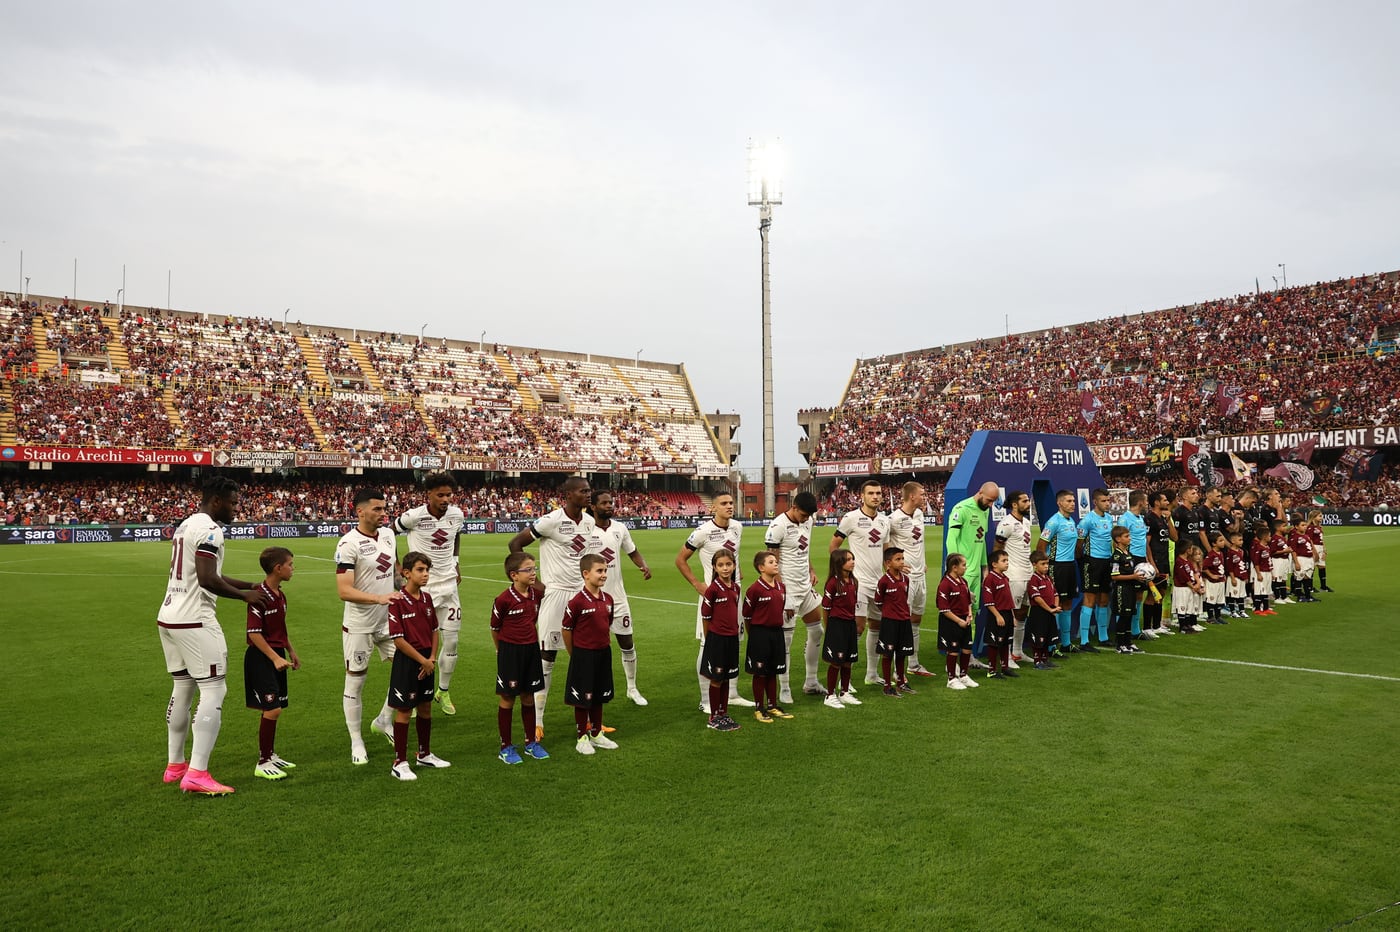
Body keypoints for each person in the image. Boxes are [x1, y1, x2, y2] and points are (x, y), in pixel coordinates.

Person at [159, 476, 268, 796]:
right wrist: (244, 597)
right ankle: (197, 773)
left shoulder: (186, 525)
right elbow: (207, 580)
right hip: (195, 620)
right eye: (233, 502)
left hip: (168, 616)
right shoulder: (211, 529)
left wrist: (247, 584)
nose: (236, 508)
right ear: (217, 501)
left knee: (182, 687)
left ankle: (175, 765)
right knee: (214, 691)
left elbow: (205, 573)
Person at [507, 476, 596, 739]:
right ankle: (538, 721)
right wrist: (534, 584)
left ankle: (590, 718)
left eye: (590, 490)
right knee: (547, 659)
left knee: (585, 657)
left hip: (581, 596)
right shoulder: (550, 521)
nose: (588, 494)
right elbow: (515, 544)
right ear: (568, 495)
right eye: (583, 491)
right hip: (556, 596)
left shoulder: (589, 522)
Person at [335, 488, 401, 766]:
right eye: (377, 509)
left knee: (407, 672)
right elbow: (344, 591)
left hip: (388, 620)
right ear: (359, 511)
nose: (383, 513)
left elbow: (395, 572)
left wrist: (408, 591)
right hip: (360, 623)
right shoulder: (347, 544)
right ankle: (356, 740)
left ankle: (384, 720)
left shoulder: (388, 535)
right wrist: (378, 597)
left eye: (384, 508)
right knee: (357, 680)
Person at [392, 471, 465, 715]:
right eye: (440, 495)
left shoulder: (457, 515)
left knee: (452, 641)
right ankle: (413, 693)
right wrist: (397, 566)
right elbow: (389, 533)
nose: (446, 499)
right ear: (429, 494)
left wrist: (456, 562)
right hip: (424, 589)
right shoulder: (413, 516)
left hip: (449, 587)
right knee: (419, 644)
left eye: (449, 494)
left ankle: (443, 690)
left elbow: (456, 536)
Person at [676, 491, 754, 713]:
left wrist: (739, 574)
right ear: (713, 508)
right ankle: (705, 700)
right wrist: (697, 584)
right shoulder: (703, 532)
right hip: (714, 598)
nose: (729, 506)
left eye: (731, 503)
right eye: (724, 503)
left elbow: (735, 558)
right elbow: (680, 559)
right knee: (707, 645)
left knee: (735, 641)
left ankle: (732, 694)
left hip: (734, 595)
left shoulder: (738, 527)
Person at [385, 552, 451, 780]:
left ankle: (424, 754)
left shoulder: (427, 599)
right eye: (420, 570)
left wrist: (431, 658)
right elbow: (398, 639)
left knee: (425, 707)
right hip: (408, 661)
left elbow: (434, 630)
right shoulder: (397, 601)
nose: (425, 575)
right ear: (406, 573)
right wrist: (422, 660)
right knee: (404, 710)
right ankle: (399, 762)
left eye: (427, 570)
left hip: (427, 661)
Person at [586, 491, 653, 706]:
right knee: (593, 648)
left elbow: (632, 551)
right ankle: (592, 689)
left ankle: (632, 688)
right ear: (594, 507)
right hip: (593, 600)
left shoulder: (619, 528)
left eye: (610, 502)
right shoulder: (585, 529)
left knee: (627, 643)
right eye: (604, 503)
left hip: (618, 598)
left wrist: (642, 564)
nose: (609, 506)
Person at [244, 546, 301, 782]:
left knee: (276, 708)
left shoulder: (280, 594)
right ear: (278, 568)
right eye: (290, 565)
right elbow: (254, 633)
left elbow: (280, 627)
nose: (293, 569)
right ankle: (263, 762)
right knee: (273, 708)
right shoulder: (259, 595)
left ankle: (269, 754)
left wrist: (289, 650)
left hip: (276, 653)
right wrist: (275, 657)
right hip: (261, 656)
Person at [831, 479, 891, 687]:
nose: (875, 496)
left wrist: (890, 570)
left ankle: (871, 674)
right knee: (856, 627)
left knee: (877, 625)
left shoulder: (884, 521)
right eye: (871, 493)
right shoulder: (851, 518)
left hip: (878, 582)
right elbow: (835, 545)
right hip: (858, 583)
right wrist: (840, 573)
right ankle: (842, 680)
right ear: (862, 496)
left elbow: (886, 548)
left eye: (878, 493)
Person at [766, 490, 825, 702]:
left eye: (809, 516)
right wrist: (781, 592)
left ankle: (811, 682)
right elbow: (771, 563)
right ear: (794, 507)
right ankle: (784, 689)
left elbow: (804, 549)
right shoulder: (777, 526)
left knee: (817, 631)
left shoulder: (808, 521)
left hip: (805, 585)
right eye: (803, 515)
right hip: (787, 588)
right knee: (786, 641)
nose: (806, 519)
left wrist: (811, 570)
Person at [491, 552, 549, 765]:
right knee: (508, 697)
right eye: (528, 569)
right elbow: (494, 628)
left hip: (531, 650)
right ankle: (505, 746)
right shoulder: (504, 599)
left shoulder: (535, 595)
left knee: (528, 696)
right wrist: (502, 651)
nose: (533, 573)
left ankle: (530, 742)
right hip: (510, 652)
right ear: (514, 575)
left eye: (534, 568)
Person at [563, 553, 619, 756]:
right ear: (586, 574)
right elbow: (566, 630)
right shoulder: (577, 602)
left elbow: (607, 622)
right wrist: (575, 653)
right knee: (582, 698)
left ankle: (596, 733)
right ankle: (582, 737)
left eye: (605, 570)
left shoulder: (608, 599)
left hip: (603, 652)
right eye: (599, 571)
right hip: (583, 655)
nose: (604, 575)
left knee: (598, 695)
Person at [945, 481, 1001, 669]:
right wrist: (955, 568)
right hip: (963, 573)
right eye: (989, 500)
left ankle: (969, 657)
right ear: (980, 492)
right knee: (958, 615)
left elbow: (981, 540)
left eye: (993, 501)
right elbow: (951, 538)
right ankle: (952, 659)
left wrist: (985, 566)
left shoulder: (984, 510)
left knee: (973, 615)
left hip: (977, 572)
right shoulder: (962, 508)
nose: (991, 505)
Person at [886, 480, 935, 677]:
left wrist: (921, 562)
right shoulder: (893, 519)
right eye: (922, 494)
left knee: (916, 619)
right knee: (901, 622)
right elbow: (886, 544)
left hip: (920, 576)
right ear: (912, 496)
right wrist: (891, 567)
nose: (925, 497)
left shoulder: (919, 514)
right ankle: (897, 669)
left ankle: (913, 664)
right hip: (904, 579)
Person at [744, 550, 791, 722]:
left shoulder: (781, 587)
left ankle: (772, 705)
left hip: (777, 633)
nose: (776, 564)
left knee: (773, 670)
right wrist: (755, 635)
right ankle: (759, 708)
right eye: (771, 562)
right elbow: (747, 615)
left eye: (776, 561)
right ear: (761, 567)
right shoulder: (754, 589)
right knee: (760, 673)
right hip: (759, 634)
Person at [699, 550, 743, 731]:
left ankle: (723, 713)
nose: (725, 568)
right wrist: (710, 640)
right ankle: (713, 717)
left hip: (731, 638)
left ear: (734, 565)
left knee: (726, 678)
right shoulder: (713, 590)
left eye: (728, 564)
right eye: (721, 565)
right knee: (716, 679)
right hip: (717, 640)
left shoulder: (736, 587)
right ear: (715, 568)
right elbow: (706, 616)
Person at [993, 490, 1034, 665]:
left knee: (1024, 612)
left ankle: (1018, 652)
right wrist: (997, 573)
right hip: (1014, 575)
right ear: (1015, 504)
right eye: (1024, 501)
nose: (1028, 503)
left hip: (1028, 572)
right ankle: (1007, 655)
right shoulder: (1006, 524)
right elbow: (997, 548)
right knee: (1012, 615)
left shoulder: (1026, 522)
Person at [820, 549, 862, 709]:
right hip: (836, 626)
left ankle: (844, 692)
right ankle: (830, 695)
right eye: (848, 559)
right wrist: (829, 627)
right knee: (836, 662)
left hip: (850, 624)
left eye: (853, 559)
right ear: (839, 563)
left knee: (848, 661)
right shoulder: (832, 583)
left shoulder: (854, 581)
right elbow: (826, 607)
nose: (852, 562)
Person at [1039, 490, 1080, 653]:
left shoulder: (1071, 521)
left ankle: (1066, 642)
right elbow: (1041, 546)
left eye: (1073, 501)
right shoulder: (1053, 522)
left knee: (1068, 603)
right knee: (1055, 604)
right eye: (1069, 501)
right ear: (1060, 503)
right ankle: (1051, 644)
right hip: (1057, 567)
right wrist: (1045, 568)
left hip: (1070, 566)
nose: (1073, 504)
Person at [1076, 488, 1114, 649]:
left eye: (1108, 500)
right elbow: (1079, 545)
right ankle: (1084, 640)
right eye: (1103, 501)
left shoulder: (1110, 518)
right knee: (1089, 599)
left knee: (1104, 600)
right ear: (1095, 502)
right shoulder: (1087, 520)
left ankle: (1103, 637)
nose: (1107, 504)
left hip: (1107, 562)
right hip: (1092, 562)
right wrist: (1083, 561)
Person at [875, 546, 915, 697]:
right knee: (887, 654)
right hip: (890, 622)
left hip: (904, 620)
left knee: (902, 653)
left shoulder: (906, 579)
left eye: (902, 559)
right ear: (888, 563)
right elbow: (878, 601)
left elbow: (903, 598)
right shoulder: (884, 581)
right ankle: (887, 686)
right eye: (898, 559)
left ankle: (901, 682)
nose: (901, 562)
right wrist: (889, 613)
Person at [936, 553, 978, 690]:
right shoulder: (945, 584)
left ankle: (964, 675)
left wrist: (969, 614)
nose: (966, 568)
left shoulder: (963, 582)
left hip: (964, 621)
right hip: (951, 622)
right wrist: (959, 620)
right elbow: (943, 609)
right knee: (953, 651)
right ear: (954, 567)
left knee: (966, 649)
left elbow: (968, 601)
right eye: (964, 565)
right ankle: (951, 679)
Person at [1115, 490, 1153, 639]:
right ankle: (1123, 631)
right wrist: (1124, 559)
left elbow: (1143, 541)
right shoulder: (1125, 519)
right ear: (1140, 502)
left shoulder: (1140, 518)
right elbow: (1117, 540)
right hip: (1130, 560)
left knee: (1138, 595)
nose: (1147, 504)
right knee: (1126, 596)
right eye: (1146, 501)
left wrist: (1147, 560)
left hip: (1141, 560)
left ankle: (1135, 630)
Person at [981, 549, 1019, 678]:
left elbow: (1009, 599)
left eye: (1007, 560)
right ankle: (991, 670)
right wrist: (998, 615)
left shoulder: (1005, 578)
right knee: (994, 642)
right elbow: (988, 601)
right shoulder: (990, 579)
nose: (1007, 563)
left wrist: (1013, 616)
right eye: (1004, 561)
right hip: (997, 615)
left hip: (1007, 614)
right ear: (994, 564)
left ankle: (1005, 667)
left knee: (1006, 642)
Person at [1143, 490, 1176, 636]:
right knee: (1152, 594)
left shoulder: (1163, 519)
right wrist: (1151, 563)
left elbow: (1174, 538)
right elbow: (1146, 543)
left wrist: (1168, 521)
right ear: (1156, 502)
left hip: (1164, 561)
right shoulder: (1149, 519)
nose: (1167, 502)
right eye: (1164, 500)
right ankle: (1146, 627)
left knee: (1161, 592)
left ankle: (1157, 626)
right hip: (1155, 561)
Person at [1108, 527, 1145, 654]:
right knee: (1123, 616)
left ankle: (1128, 642)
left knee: (1129, 615)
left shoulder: (1128, 554)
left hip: (1131, 589)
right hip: (1121, 590)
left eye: (1129, 536)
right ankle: (1120, 644)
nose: (1129, 538)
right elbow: (1114, 576)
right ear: (1118, 539)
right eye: (1126, 536)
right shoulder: (1116, 556)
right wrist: (1134, 577)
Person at [1025, 551, 1061, 670]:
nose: (1046, 566)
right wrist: (1049, 609)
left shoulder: (1049, 578)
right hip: (1038, 613)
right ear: (1035, 564)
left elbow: (1055, 594)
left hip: (1049, 612)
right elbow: (1037, 598)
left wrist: (1054, 607)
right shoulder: (1034, 580)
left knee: (1047, 637)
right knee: (1038, 637)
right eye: (1043, 564)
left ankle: (1045, 659)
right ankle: (1037, 661)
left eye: (1047, 563)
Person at [1173, 543, 1206, 633]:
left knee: (1188, 607)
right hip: (1182, 588)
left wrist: (1198, 583)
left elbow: (1194, 573)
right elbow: (1183, 577)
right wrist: (1193, 586)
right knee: (1182, 607)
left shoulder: (1187, 561)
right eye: (1191, 548)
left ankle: (1188, 625)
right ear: (1187, 550)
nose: (1192, 550)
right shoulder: (1179, 561)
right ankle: (1182, 627)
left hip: (1190, 588)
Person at [1288, 514, 1319, 602]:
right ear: (1296, 527)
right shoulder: (1295, 537)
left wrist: (1314, 555)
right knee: (1299, 578)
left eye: (1305, 525)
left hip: (1309, 559)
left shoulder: (1306, 536)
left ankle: (1308, 596)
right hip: (1301, 559)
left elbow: (1310, 547)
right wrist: (1296, 562)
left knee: (1307, 578)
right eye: (1302, 525)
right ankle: (1299, 596)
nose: (1305, 527)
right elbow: (1293, 551)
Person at [1201, 533, 1229, 625]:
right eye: (1220, 541)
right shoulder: (1211, 555)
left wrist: (1223, 575)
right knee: (1211, 600)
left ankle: (1218, 616)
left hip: (1220, 580)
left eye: (1223, 540)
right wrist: (1211, 575)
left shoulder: (1221, 553)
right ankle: (1210, 617)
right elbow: (1204, 567)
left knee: (1219, 600)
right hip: (1212, 582)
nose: (1223, 542)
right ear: (1214, 544)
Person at [1249, 524, 1277, 615]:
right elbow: (1256, 562)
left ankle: (1266, 608)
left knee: (1266, 590)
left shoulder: (1267, 547)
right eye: (1269, 535)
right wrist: (1258, 574)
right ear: (1265, 537)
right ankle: (1257, 608)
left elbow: (1269, 560)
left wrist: (1272, 573)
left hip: (1268, 571)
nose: (1270, 537)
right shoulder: (1258, 548)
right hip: (1261, 571)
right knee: (1259, 590)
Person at [1225, 530, 1250, 618]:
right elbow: (1229, 567)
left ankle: (1242, 611)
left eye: (1242, 540)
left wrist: (1245, 576)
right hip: (1234, 577)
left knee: (1241, 595)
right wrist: (1232, 578)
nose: (1242, 541)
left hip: (1241, 576)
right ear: (1233, 541)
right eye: (1239, 540)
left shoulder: (1241, 551)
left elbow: (1242, 564)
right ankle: (1232, 611)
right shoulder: (1230, 553)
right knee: (1232, 595)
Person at [1268, 519, 1293, 605]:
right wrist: (1284, 551)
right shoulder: (1274, 538)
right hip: (1277, 560)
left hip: (1285, 560)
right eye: (1283, 526)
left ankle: (1284, 596)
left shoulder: (1282, 537)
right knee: (1277, 579)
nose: (1285, 527)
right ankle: (1277, 597)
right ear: (1278, 528)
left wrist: (1287, 550)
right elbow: (1272, 552)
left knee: (1283, 579)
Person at [1307, 510, 1332, 592]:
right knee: (1312, 567)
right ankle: (1310, 587)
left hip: (1320, 547)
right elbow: (1309, 540)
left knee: (1322, 566)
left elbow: (1321, 539)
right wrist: (1314, 551)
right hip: (1314, 547)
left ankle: (1323, 586)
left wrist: (1324, 550)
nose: (1322, 517)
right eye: (1320, 516)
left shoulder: (1319, 527)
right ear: (1314, 517)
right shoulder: (1310, 527)